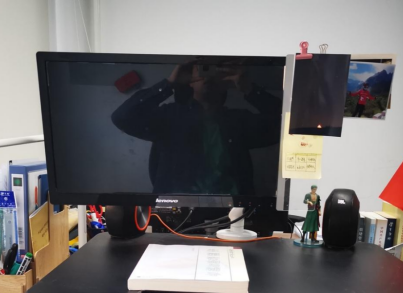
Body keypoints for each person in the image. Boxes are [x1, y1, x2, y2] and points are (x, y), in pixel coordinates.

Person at [111, 62, 281, 194]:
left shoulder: (238, 120)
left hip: (232, 213)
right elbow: (122, 117)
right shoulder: (169, 117)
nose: (208, 77)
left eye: (216, 71)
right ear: (189, 80)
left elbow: (286, 127)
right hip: (176, 211)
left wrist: (250, 89)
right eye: (203, 69)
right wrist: (169, 84)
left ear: (225, 80)